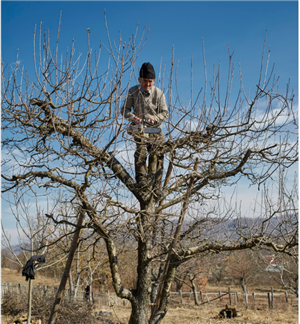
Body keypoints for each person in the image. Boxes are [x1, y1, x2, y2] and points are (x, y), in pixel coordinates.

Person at [121, 62, 168, 199]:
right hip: (139, 127)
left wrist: (155, 118)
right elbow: (124, 110)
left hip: (154, 128)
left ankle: (157, 186)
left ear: (154, 81)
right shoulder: (132, 91)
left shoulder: (159, 93)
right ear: (140, 80)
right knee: (141, 151)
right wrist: (133, 117)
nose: (148, 84)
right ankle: (141, 180)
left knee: (158, 154)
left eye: (150, 81)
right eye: (145, 81)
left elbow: (165, 113)